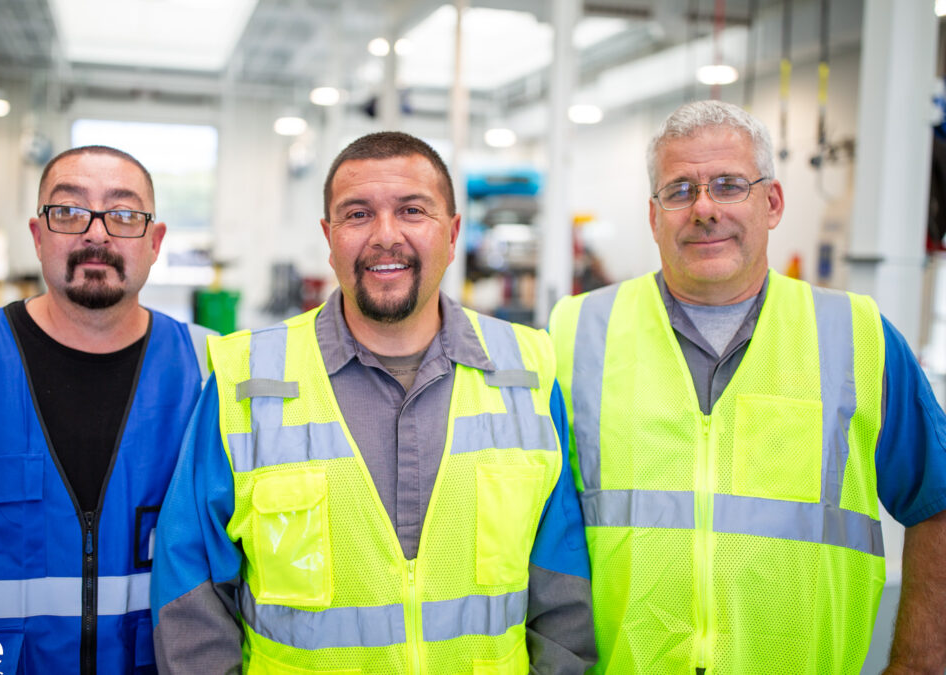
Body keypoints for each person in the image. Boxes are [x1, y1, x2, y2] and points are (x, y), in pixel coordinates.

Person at [151, 131, 596, 674]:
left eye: (412, 210)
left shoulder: (527, 374)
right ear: (329, 237)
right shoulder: (245, 382)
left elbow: (563, 594)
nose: (386, 236)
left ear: (453, 234)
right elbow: (190, 593)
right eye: (358, 214)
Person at [548, 100, 946, 674]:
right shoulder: (574, 334)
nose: (703, 209)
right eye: (680, 191)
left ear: (773, 202)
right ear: (654, 216)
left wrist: (916, 667)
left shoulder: (858, 338)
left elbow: (938, 503)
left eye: (729, 185)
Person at [0, 145, 214, 674]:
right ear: (37, 235)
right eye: (69, 211)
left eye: (123, 215)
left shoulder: (211, 372)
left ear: (154, 241)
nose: (96, 233)